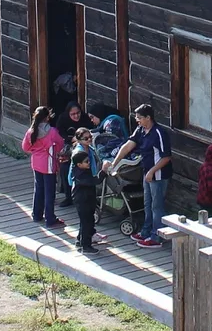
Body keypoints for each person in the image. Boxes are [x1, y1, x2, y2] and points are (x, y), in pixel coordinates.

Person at [110, 103, 172, 248]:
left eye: (139, 118)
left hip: (159, 175)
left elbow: (166, 157)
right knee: (147, 203)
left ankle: (157, 237)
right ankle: (146, 232)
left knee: (157, 206)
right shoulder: (141, 130)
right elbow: (128, 146)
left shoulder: (159, 133)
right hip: (147, 174)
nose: (137, 120)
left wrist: (151, 172)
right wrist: (114, 163)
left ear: (148, 118)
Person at [22, 106, 66, 228]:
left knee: (39, 189)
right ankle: (50, 219)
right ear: (47, 117)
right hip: (49, 164)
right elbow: (61, 144)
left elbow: (25, 147)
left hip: (36, 163)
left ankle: (37, 215)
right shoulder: (51, 132)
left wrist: (36, 151)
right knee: (49, 192)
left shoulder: (31, 131)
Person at [69, 147, 99, 255]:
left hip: (88, 200)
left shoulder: (84, 170)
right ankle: (86, 246)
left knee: (86, 222)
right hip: (82, 201)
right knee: (87, 223)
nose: (89, 163)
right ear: (79, 164)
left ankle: (79, 240)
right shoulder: (79, 175)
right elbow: (94, 181)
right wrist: (104, 172)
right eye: (86, 162)